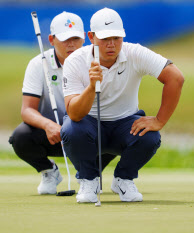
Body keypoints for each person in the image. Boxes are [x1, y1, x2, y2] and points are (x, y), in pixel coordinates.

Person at [61, 8, 184, 203]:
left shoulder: (135, 53)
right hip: (89, 125)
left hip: (125, 124)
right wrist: (92, 87)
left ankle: (123, 179)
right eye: (105, 38)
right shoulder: (75, 61)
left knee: (150, 135)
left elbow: (175, 78)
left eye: (117, 38)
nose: (111, 44)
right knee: (71, 130)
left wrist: (160, 120)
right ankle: (89, 180)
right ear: (91, 37)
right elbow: (74, 114)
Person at [9, 11, 116, 195]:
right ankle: (49, 172)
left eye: (75, 38)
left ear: (84, 37)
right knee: (20, 137)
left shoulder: (97, 63)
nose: (71, 44)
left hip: (86, 133)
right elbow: (27, 110)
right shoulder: (38, 64)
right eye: (65, 39)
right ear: (51, 39)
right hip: (53, 135)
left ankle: (93, 173)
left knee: (114, 127)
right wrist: (48, 125)